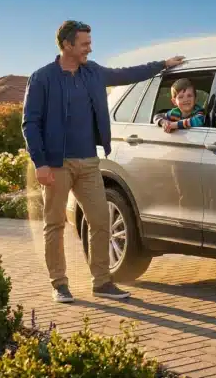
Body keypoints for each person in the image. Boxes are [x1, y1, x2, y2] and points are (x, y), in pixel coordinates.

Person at [22, 20, 186, 303]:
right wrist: (40, 163)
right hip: (56, 163)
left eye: (89, 42)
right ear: (67, 45)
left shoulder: (93, 73)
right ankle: (59, 284)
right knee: (54, 225)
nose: (90, 48)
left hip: (88, 161)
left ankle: (102, 282)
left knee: (100, 221)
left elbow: (127, 73)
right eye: (84, 44)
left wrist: (162, 64)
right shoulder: (42, 78)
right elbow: (30, 123)